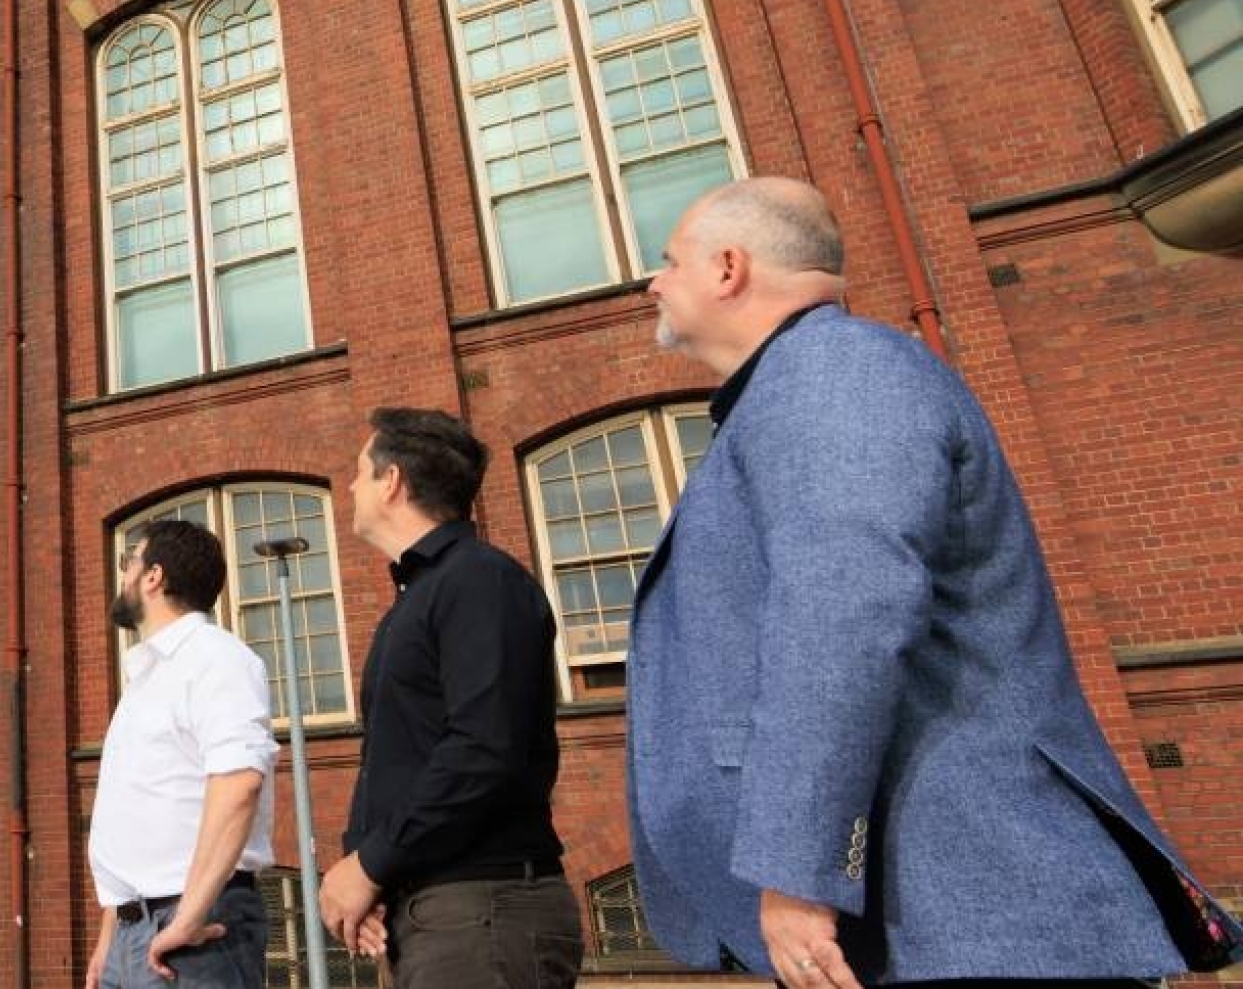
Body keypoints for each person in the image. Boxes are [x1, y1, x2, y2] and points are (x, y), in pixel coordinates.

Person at [629, 176, 1243, 986]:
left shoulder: (835, 370)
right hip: (927, 923)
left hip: (969, 915)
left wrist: (801, 867)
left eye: (670, 261)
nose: (652, 281)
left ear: (729, 268)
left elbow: (843, 613)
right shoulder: (800, 385)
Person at [317, 407, 580, 989]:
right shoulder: (417, 599)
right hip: (432, 916)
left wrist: (371, 863)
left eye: (361, 472)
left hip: (481, 912)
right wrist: (365, 871)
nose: (353, 487)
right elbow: (394, 757)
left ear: (392, 481)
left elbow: (483, 748)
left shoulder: (480, 580)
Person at [87, 518, 278, 988]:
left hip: (192, 930)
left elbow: (239, 785)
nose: (123, 575)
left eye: (127, 563)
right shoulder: (147, 679)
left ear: (153, 576)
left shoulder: (216, 659)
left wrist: (190, 916)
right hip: (132, 933)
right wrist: (107, 942)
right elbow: (135, 824)